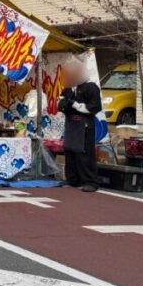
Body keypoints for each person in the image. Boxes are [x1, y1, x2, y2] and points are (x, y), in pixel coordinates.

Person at [58, 60, 102, 192]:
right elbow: (61, 104)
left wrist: (76, 105)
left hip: (85, 125)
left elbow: (95, 107)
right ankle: (73, 179)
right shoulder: (68, 88)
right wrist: (63, 104)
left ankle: (90, 181)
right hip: (71, 123)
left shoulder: (90, 87)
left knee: (84, 152)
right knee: (70, 150)